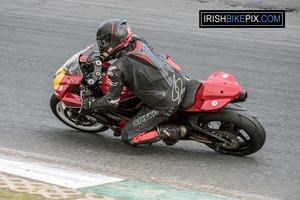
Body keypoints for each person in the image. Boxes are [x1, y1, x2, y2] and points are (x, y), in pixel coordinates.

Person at [84, 19, 187, 147]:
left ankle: (170, 131)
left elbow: (112, 101)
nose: (102, 45)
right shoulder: (138, 41)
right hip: (178, 78)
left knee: (129, 136)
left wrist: (92, 104)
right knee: (163, 58)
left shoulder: (117, 69)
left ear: (113, 41)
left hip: (165, 103)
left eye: (104, 42)